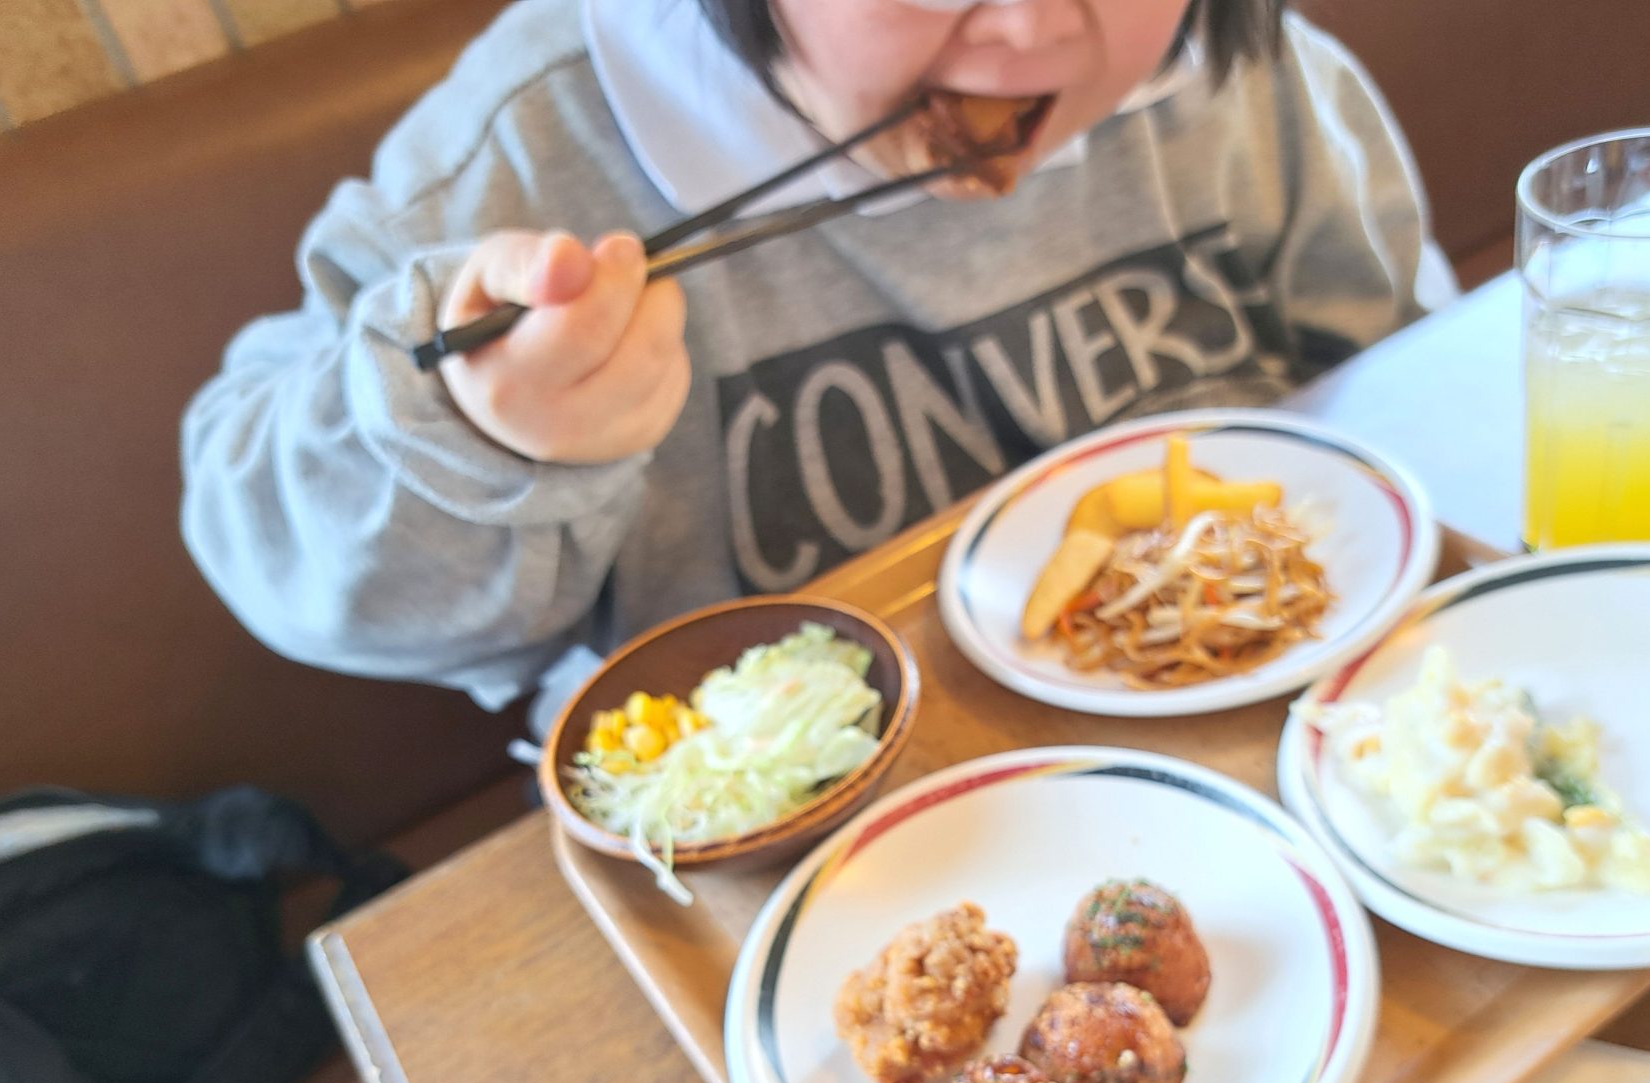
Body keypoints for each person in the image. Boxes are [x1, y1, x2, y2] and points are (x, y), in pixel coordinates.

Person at [181, 0, 1453, 734]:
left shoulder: (1237, 72)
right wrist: (468, 437)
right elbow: (276, 554)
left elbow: (1410, 378)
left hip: (1303, 723)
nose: (1031, 22)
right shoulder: (527, 156)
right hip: (803, 852)